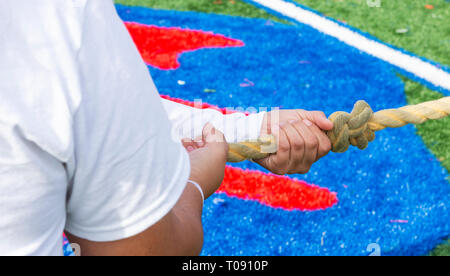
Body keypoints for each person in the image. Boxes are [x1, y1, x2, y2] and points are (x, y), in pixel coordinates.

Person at [0, 0, 333, 256]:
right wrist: (194, 184)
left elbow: (88, 106)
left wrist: (248, 128)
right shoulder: (58, 16)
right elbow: (145, 250)